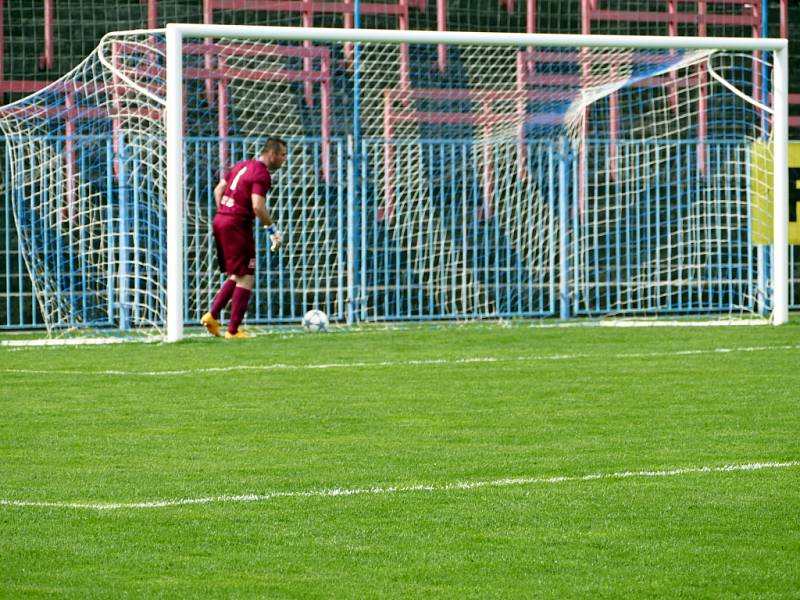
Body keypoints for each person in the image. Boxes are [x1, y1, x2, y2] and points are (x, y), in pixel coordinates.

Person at [201, 137, 288, 339]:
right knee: (247, 274)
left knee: (237, 274)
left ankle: (212, 316)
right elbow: (257, 205)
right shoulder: (261, 174)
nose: (284, 159)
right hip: (237, 224)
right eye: (283, 155)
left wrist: (223, 211)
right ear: (272, 154)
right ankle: (233, 330)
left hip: (221, 221)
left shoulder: (241, 165)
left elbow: (218, 190)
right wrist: (272, 230)